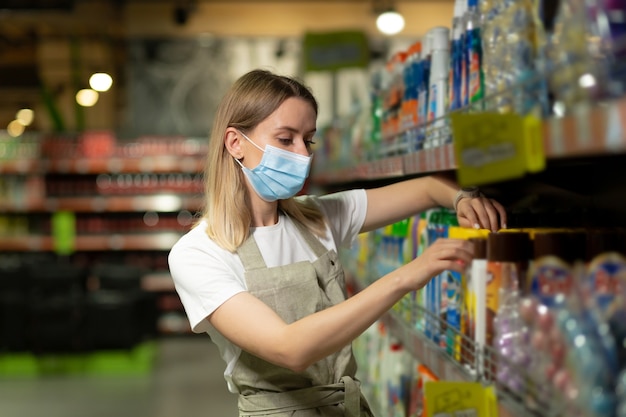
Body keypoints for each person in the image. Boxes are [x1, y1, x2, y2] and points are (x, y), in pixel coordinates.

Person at [168, 69, 507, 417]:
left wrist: (462, 199)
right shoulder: (199, 253)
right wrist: (405, 278)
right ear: (235, 142)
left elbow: (427, 187)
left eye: (308, 140)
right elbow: (289, 349)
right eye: (286, 140)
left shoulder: (315, 217)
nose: (302, 153)